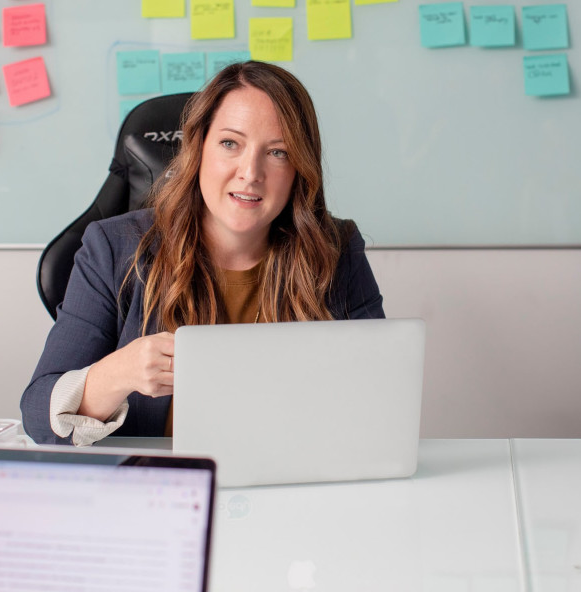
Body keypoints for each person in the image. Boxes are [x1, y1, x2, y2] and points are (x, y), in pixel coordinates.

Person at [21, 61, 384, 446]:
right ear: (199, 149)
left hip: (287, 479)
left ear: (299, 167)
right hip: (159, 485)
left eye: (277, 152)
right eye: (230, 143)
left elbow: (381, 394)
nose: (250, 172)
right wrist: (119, 373)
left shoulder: (336, 248)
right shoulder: (114, 248)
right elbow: (38, 419)